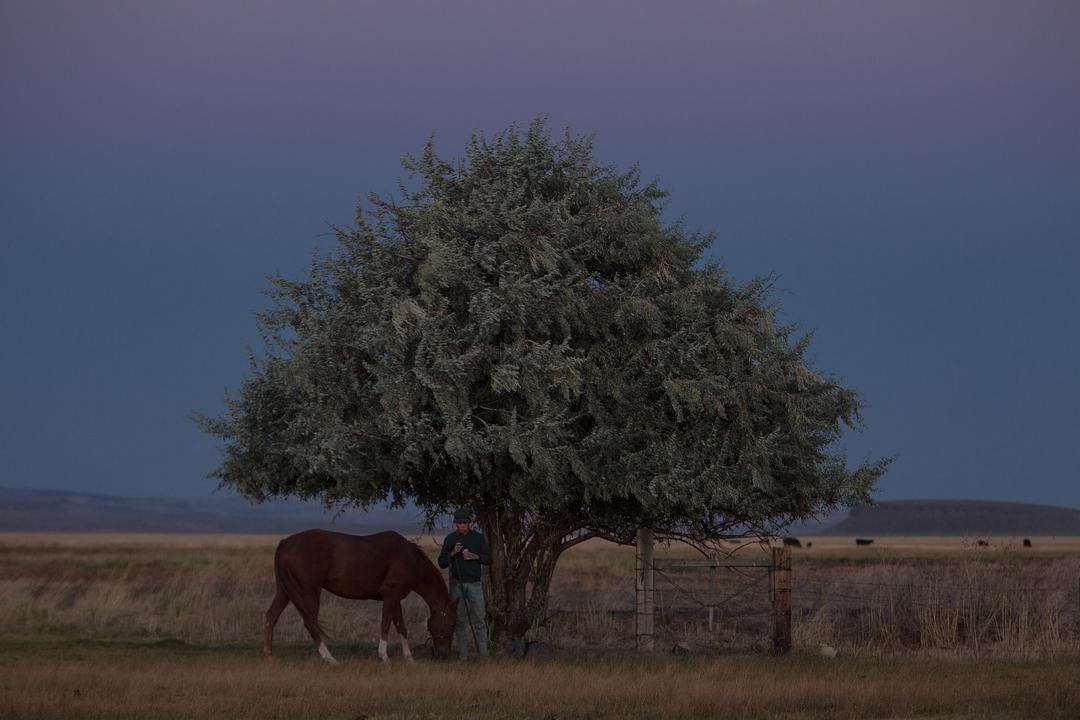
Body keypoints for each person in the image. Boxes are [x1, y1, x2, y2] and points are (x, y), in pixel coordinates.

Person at [437, 508, 491, 658]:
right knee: (459, 621)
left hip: (474, 584)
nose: (462, 525)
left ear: (469, 523)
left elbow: (488, 558)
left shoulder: (478, 538)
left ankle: (483, 655)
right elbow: (441, 563)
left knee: (479, 620)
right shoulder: (450, 539)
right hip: (457, 584)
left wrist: (475, 557)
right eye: (460, 523)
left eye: (465, 523)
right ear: (455, 524)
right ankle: (463, 656)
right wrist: (452, 553)